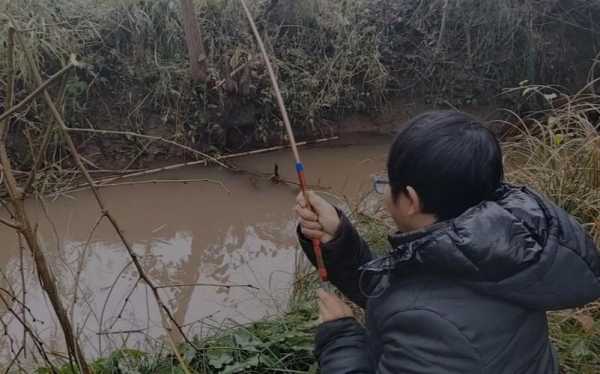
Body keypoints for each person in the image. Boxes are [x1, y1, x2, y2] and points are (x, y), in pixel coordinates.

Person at [294, 111, 600, 373]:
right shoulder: (501, 251)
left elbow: (421, 310)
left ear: (411, 200)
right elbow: (407, 293)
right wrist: (338, 238)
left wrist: (340, 340)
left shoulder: (434, 328)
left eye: (387, 181)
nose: (384, 190)